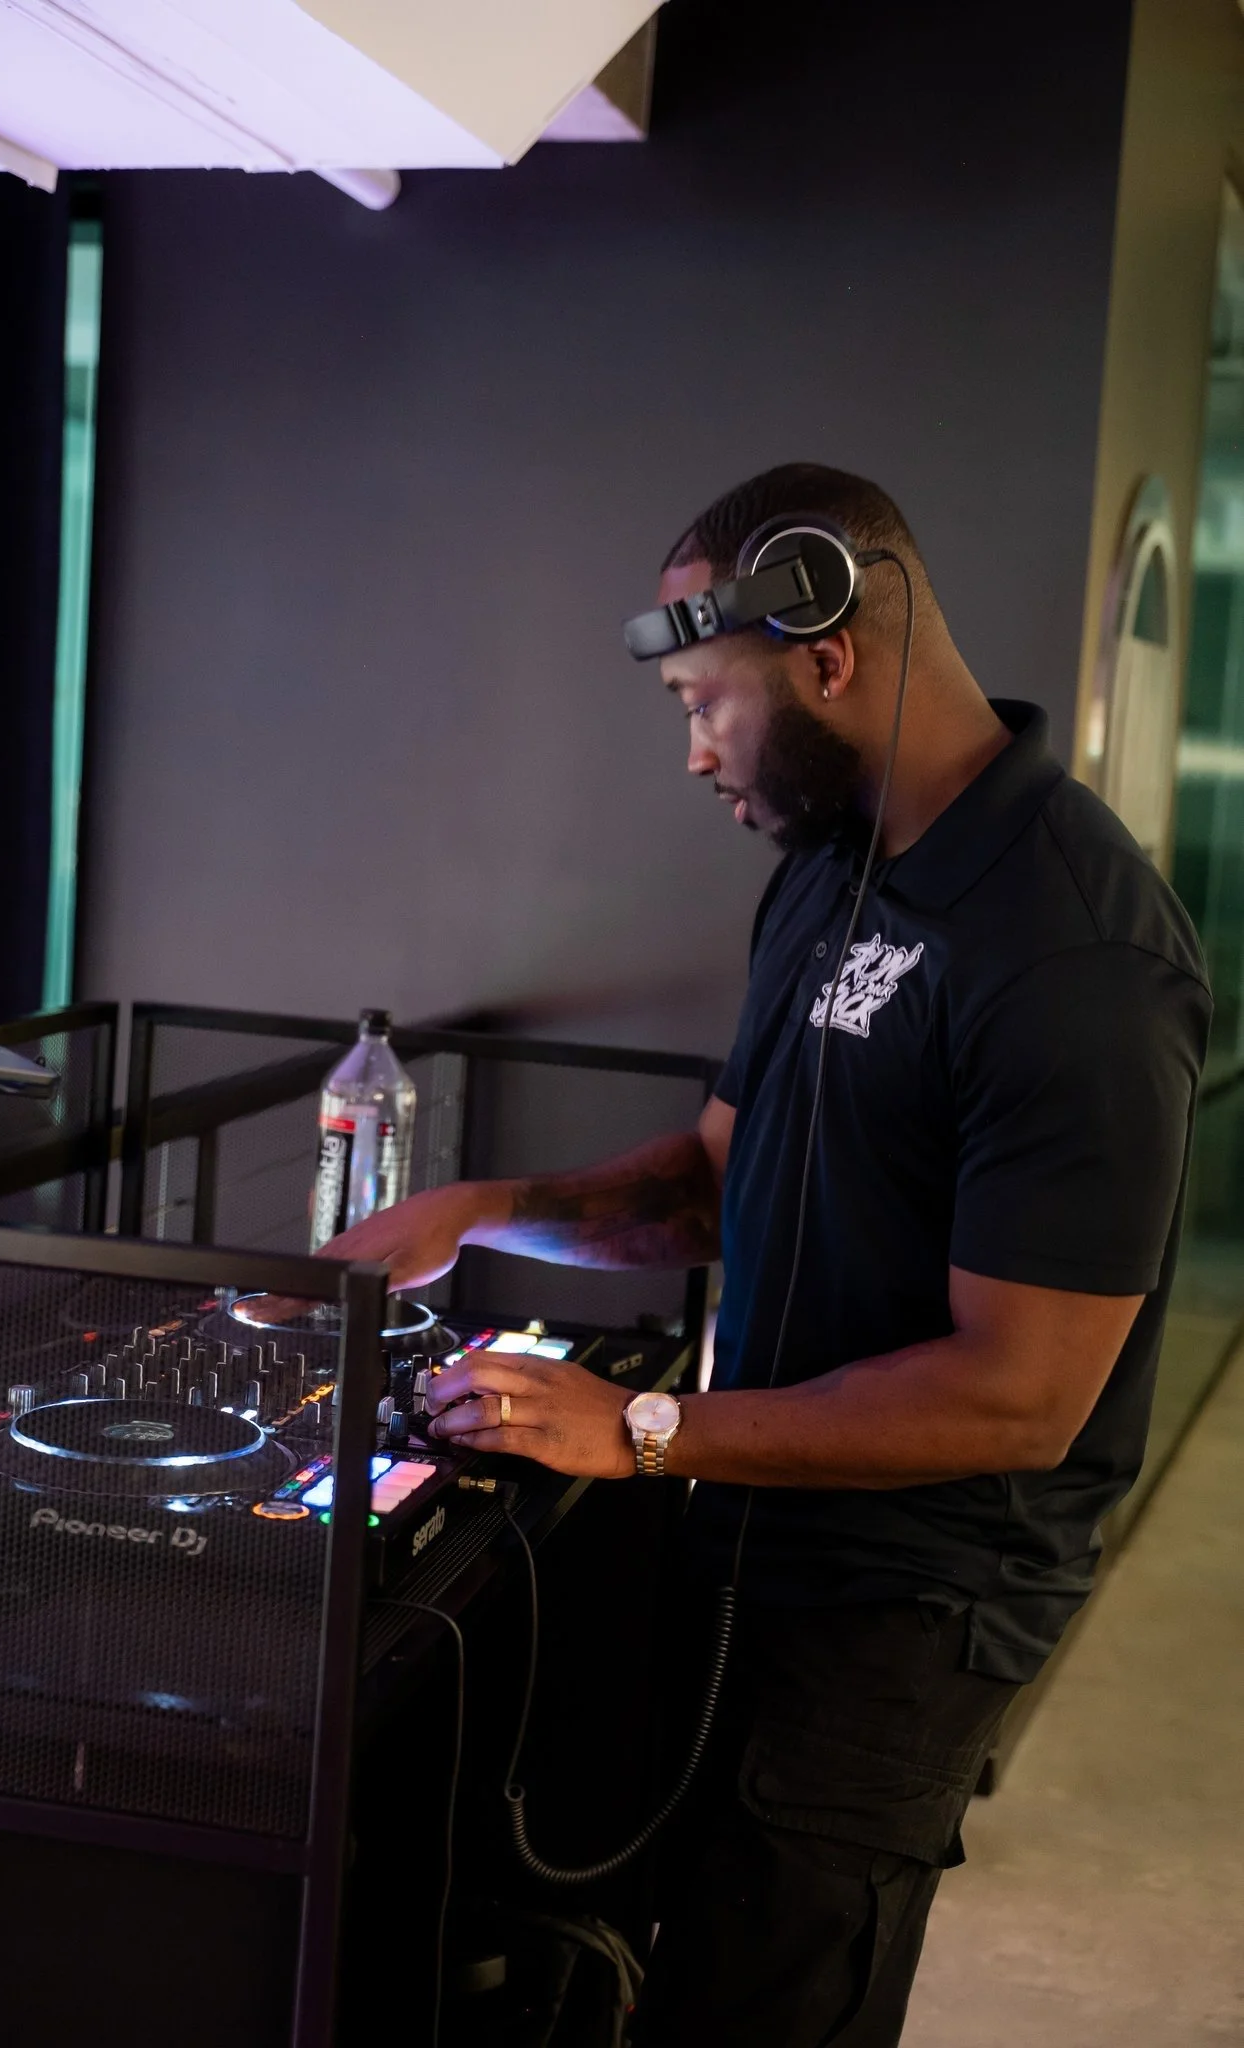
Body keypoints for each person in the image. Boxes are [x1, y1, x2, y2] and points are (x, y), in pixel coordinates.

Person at [314, 464, 1211, 2045]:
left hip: (906, 1613)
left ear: (827, 656)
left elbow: (1021, 1395)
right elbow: (713, 1187)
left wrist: (646, 1427)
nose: (693, 751)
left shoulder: (1076, 950)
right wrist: (476, 1212)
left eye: (701, 704)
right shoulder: (825, 870)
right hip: (754, 1526)